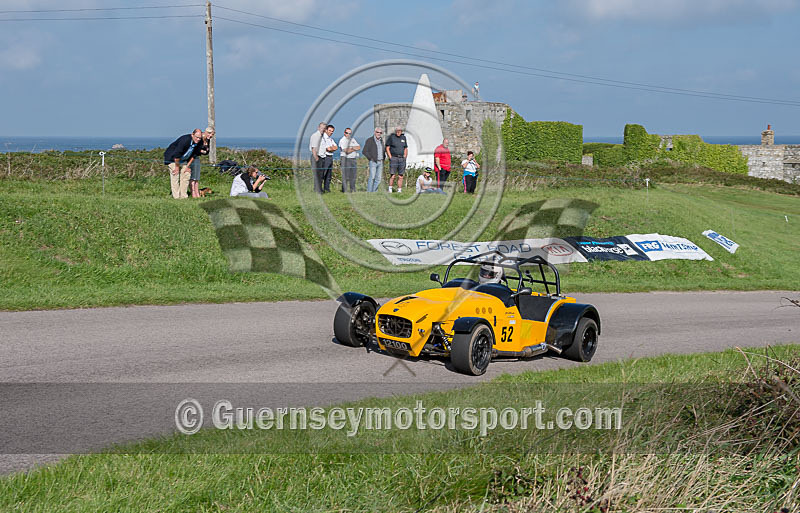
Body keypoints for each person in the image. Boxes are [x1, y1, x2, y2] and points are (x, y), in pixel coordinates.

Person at [163, 129, 202, 199]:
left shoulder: (199, 142)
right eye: (197, 137)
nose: (198, 139)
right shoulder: (185, 140)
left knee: (186, 174)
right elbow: (176, 155)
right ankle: (176, 197)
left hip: (184, 159)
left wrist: (187, 166)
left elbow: (195, 155)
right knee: (175, 175)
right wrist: (177, 167)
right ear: (192, 135)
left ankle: (183, 196)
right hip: (172, 158)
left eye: (200, 138)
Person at [189, 126, 215, 198]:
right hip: (191, 157)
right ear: (205, 132)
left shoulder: (208, 140)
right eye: (209, 133)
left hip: (197, 157)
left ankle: (197, 193)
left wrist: (202, 151)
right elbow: (196, 149)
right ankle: (193, 194)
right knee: (193, 177)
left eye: (212, 134)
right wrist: (202, 151)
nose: (210, 136)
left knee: (197, 177)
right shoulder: (200, 138)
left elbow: (207, 151)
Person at [362, 127, 385, 192]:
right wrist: (371, 159)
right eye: (377, 132)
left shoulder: (381, 141)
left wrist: (384, 158)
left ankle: (374, 191)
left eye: (380, 133)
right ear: (374, 132)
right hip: (373, 162)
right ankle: (369, 192)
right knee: (372, 177)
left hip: (381, 162)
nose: (379, 134)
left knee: (379, 179)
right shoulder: (369, 140)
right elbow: (364, 151)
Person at [386, 126, 407, 193]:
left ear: (401, 131)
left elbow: (405, 148)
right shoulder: (391, 137)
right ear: (395, 131)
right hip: (394, 158)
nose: (398, 132)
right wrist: (390, 157)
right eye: (397, 131)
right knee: (393, 175)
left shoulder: (403, 137)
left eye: (400, 131)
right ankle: (390, 189)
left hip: (401, 158)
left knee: (401, 175)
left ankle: (399, 190)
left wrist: (405, 156)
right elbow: (387, 147)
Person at [338, 127, 360, 193]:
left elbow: (359, 147)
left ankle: (352, 189)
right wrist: (353, 148)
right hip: (346, 159)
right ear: (344, 133)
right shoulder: (342, 140)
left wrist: (351, 148)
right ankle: (344, 190)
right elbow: (346, 151)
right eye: (347, 133)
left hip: (353, 158)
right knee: (346, 176)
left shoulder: (352, 139)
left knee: (353, 175)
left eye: (350, 133)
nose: (348, 134)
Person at [317, 124, 337, 193]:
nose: (331, 132)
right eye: (330, 130)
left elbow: (336, 147)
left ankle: (327, 188)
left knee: (329, 175)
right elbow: (328, 149)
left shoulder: (330, 139)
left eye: (332, 131)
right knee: (323, 174)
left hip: (330, 157)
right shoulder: (323, 138)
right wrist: (331, 148)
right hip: (325, 157)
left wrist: (331, 148)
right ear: (326, 130)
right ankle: (319, 189)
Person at [309, 122, 326, 193]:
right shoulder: (315, 136)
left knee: (320, 174)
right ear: (318, 128)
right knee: (317, 174)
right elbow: (313, 148)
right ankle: (317, 190)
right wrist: (316, 158)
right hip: (316, 157)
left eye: (324, 128)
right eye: (321, 128)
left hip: (321, 157)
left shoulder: (322, 136)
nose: (323, 129)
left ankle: (318, 189)